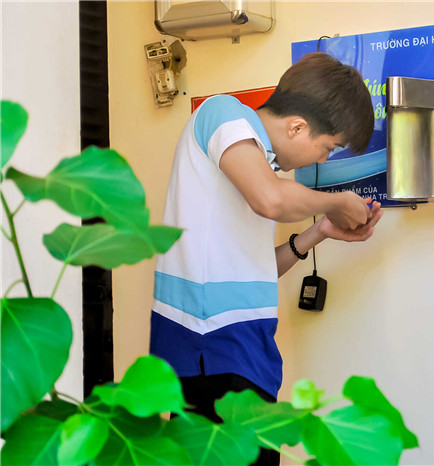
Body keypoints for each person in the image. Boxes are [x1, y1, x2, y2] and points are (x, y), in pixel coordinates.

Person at [149, 52, 382, 464]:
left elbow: (251, 269)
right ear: (297, 126)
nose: (323, 160)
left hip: (242, 352)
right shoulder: (222, 113)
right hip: (213, 350)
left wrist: (317, 233)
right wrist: (336, 203)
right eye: (327, 148)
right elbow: (270, 200)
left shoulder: (259, 165)